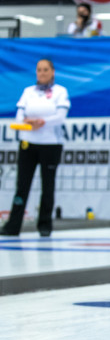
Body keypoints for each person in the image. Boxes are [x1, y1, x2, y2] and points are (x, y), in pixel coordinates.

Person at [0, 59, 70, 237]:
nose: (42, 73)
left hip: (50, 144)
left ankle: (45, 225)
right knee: (22, 186)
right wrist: (29, 123)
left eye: (46, 69)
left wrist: (42, 122)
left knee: (48, 186)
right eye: (39, 70)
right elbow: (19, 117)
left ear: (53, 71)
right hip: (28, 144)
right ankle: (13, 226)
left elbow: (60, 117)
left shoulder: (60, 92)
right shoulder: (28, 92)